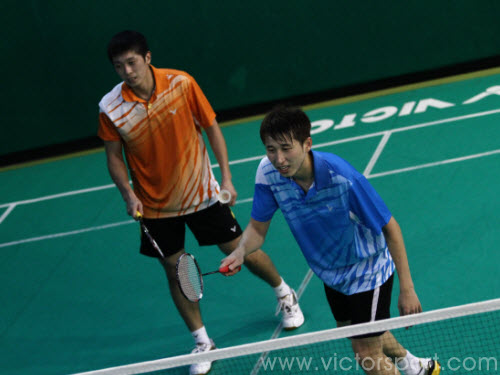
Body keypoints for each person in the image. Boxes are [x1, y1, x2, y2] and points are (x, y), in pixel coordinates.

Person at [97, 31, 304, 375]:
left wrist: (226, 177)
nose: (127, 72)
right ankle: (203, 341)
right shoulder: (111, 107)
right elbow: (114, 157)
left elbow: (211, 126)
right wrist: (127, 193)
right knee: (177, 272)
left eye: (132, 62)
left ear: (147, 58)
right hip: (154, 206)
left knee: (239, 249)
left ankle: (284, 293)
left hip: (201, 193)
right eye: (119, 67)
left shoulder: (181, 82)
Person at [221, 106, 441, 375]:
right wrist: (241, 252)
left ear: (307, 144)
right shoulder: (267, 173)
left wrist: (407, 288)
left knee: (366, 353)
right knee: (357, 332)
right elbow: (257, 229)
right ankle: (413, 365)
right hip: (330, 272)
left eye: (286, 148)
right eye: (270, 149)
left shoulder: (342, 177)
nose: (279, 159)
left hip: (367, 270)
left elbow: (391, 228)